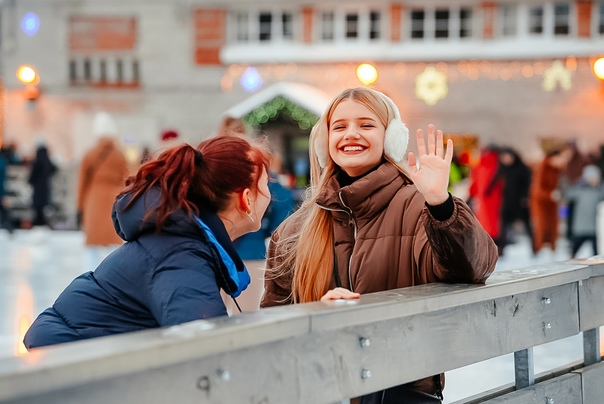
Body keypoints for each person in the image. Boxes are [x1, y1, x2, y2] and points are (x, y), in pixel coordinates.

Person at [260, 87, 498, 403]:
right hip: (322, 389)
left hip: (399, 391)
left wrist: (441, 205)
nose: (351, 134)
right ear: (325, 141)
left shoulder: (421, 208)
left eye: (366, 125)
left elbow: (473, 267)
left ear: (391, 138)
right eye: (340, 126)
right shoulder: (294, 230)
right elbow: (274, 324)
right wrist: (317, 314)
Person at [23, 135, 272, 349]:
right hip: (68, 368)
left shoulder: (185, 240)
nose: (270, 193)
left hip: (78, 359)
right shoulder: (183, 258)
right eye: (266, 183)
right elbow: (205, 355)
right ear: (246, 199)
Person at [230, 175, 295, 313]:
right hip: (251, 254)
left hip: (216, 253)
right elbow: (281, 223)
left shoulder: (216, 175)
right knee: (246, 315)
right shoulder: (270, 183)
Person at [77, 112, 129, 267]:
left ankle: (89, 274)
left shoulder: (90, 154)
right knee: (114, 240)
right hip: (114, 198)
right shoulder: (120, 155)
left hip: (93, 199)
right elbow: (126, 179)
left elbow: (82, 183)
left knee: (93, 242)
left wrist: (79, 206)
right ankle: (116, 274)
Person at [529, 147, 572, 255]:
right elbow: (537, 190)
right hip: (541, 203)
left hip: (553, 203)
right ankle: (539, 250)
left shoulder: (557, 169)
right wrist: (550, 194)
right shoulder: (543, 167)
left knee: (554, 227)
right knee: (542, 227)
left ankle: (552, 248)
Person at [566, 165, 604, 258]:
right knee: (573, 251)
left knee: (596, 253)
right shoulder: (579, 190)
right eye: (593, 178)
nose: (596, 180)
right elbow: (569, 195)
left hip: (594, 228)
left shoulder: (599, 191)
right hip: (580, 227)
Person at [28, 142, 57, 227]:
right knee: (43, 205)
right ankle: (42, 221)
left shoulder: (37, 161)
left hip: (37, 186)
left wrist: (30, 181)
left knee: (37, 206)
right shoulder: (47, 161)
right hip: (45, 186)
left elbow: (33, 173)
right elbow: (54, 169)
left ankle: (39, 221)